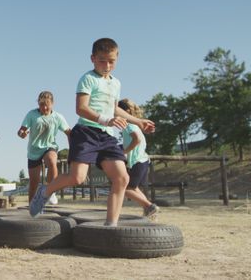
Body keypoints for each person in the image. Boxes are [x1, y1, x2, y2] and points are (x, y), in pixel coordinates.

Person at [29, 38, 155, 226]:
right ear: (93, 58)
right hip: (86, 133)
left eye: (111, 61)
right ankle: (45, 192)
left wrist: (138, 121)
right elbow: (81, 108)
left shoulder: (116, 83)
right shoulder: (88, 79)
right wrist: (106, 119)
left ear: (117, 59)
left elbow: (114, 108)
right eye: (102, 60)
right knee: (77, 177)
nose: (107, 65)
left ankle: (110, 226)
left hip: (107, 136)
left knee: (122, 178)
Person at [17, 91, 71, 205]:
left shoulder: (58, 117)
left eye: (47, 104)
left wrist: (73, 150)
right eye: (41, 104)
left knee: (52, 161)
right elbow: (21, 130)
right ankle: (32, 207)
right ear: (38, 104)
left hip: (49, 146)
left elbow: (69, 133)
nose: (44, 107)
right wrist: (22, 133)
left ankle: (51, 192)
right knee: (34, 183)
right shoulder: (32, 114)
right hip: (34, 150)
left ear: (52, 103)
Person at [118, 98, 159, 219]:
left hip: (137, 162)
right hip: (143, 161)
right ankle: (148, 209)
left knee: (124, 188)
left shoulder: (128, 125)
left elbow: (137, 139)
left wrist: (124, 152)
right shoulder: (134, 125)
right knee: (133, 188)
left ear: (124, 112)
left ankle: (149, 206)